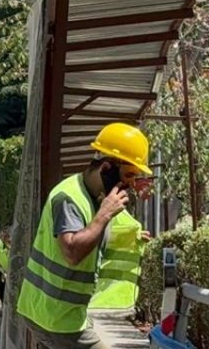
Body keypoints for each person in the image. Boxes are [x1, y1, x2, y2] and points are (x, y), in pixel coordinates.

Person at [16, 123, 152, 349]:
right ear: (107, 168)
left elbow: (93, 234)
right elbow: (71, 251)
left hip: (61, 313)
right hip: (54, 316)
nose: (131, 183)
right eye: (129, 174)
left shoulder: (95, 198)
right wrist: (105, 213)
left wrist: (129, 236)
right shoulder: (68, 198)